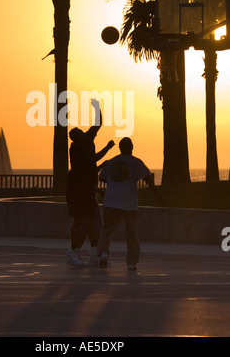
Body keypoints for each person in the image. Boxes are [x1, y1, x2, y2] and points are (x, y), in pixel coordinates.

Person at [97, 137, 164, 271]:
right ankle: (131, 262)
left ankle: (103, 253)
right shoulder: (136, 162)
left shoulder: (112, 161)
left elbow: (102, 177)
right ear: (131, 148)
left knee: (107, 229)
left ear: (120, 148)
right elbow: (147, 178)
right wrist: (157, 195)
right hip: (128, 201)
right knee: (131, 231)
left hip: (111, 201)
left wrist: (113, 184)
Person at [66, 99, 115, 266]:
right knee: (80, 219)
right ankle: (74, 251)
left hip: (86, 186)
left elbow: (97, 123)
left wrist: (96, 108)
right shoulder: (76, 148)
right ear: (75, 138)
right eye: (78, 132)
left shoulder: (86, 139)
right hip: (77, 186)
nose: (81, 131)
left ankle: (93, 250)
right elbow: (92, 160)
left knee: (90, 218)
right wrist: (107, 149)